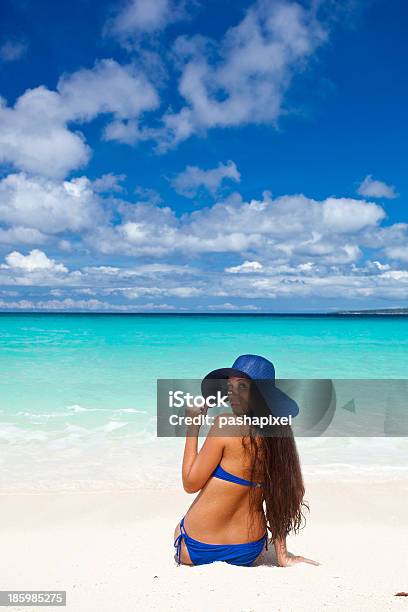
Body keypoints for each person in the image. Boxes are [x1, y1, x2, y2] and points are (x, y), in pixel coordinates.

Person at [173, 354, 320, 568]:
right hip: (248, 551)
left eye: (242, 387)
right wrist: (282, 554)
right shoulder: (279, 436)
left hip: (198, 548)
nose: (231, 393)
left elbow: (190, 483)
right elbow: (283, 494)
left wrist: (192, 427)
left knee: (179, 529)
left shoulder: (225, 424)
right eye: (230, 386)